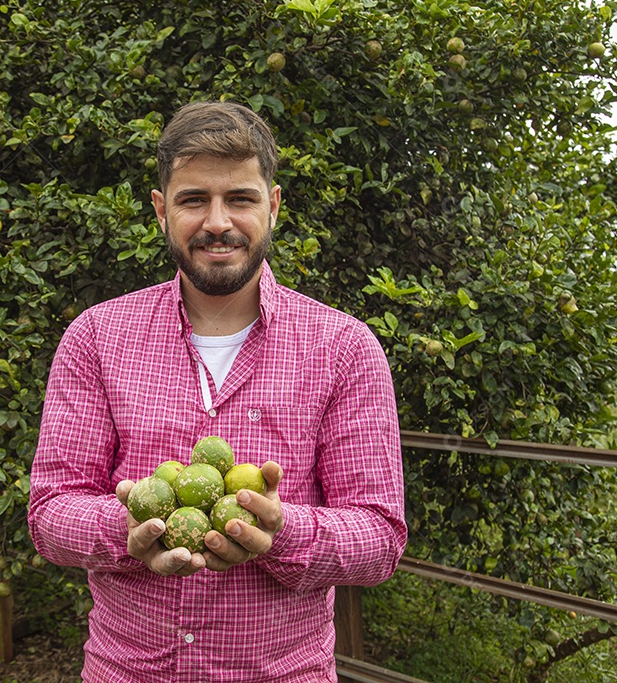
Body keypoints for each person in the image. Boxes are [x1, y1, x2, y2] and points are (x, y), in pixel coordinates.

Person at [27, 101, 407, 682]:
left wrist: (281, 531)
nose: (218, 222)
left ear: (273, 206)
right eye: (193, 199)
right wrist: (128, 529)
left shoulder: (344, 349)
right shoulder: (97, 337)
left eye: (240, 199)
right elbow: (50, 512)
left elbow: (380, 537)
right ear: (161, 210)